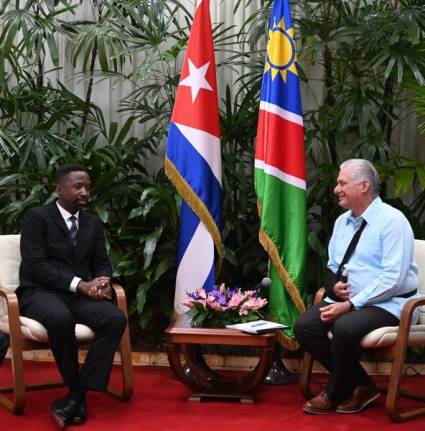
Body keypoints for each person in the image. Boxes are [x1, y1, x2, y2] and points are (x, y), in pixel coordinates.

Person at [294, 159, 418, 415]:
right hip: (348, 301)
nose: (336, 189)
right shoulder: (342, 222)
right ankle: (362, 384)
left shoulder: (393, 221)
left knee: (345, 327)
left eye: (342, 183)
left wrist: (350, 304)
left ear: (364, 186)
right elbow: (333, 266)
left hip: (391, 303)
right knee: (305, 326)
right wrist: (333, 287)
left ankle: (335, 390)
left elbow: (393, 278)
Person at [16, 165, 127, 429]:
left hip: (79, 295)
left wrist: (102, 280)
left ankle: (76, 396)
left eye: (87, 187)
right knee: (60, 318)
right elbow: (36, 266)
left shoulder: (92, 223)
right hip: (40, 292)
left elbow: (101, 261)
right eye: (78, 186)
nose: (85, 192)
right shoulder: (37, 218)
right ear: (59, 189)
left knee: (114, 318)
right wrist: (81, 285)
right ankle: (77, 394)